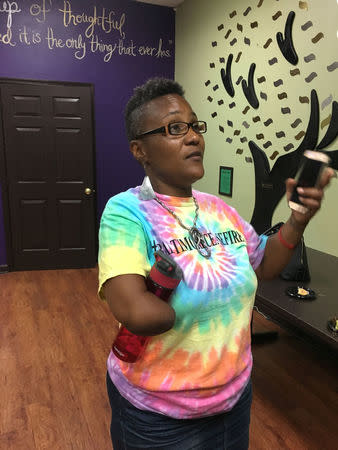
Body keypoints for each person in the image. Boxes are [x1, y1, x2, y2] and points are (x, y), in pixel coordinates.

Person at [98, 78, 333, 450]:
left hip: (233, 400)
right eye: (175, 128)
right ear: (139, 149)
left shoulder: (220, 210)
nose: (193, 137)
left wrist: (298, 219)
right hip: (159, 417)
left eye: (194, 125)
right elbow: (135, 312)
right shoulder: (126, 213)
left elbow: (265, 263)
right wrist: (180, 299)